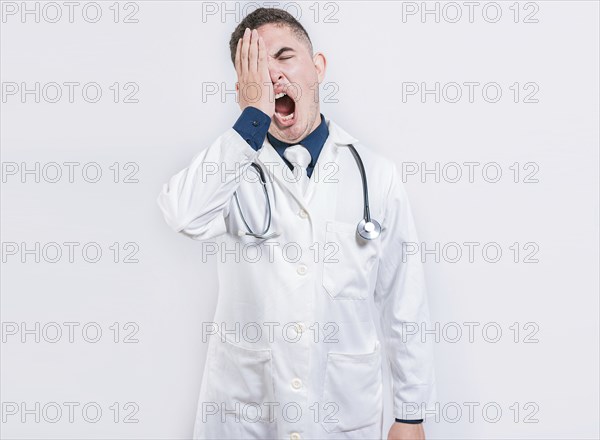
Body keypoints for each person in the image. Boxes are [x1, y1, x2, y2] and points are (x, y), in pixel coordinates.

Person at [157, 7, 436, 440]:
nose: (273, 76)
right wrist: (251, 119)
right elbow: (182, 214)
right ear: (244, 90)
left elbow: (405, 300)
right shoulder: (231, 169)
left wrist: (411, 413)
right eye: (257, 68)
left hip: (343, 412)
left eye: (284, 56)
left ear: (318, 66)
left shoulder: (374, 175)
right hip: (246, 415)